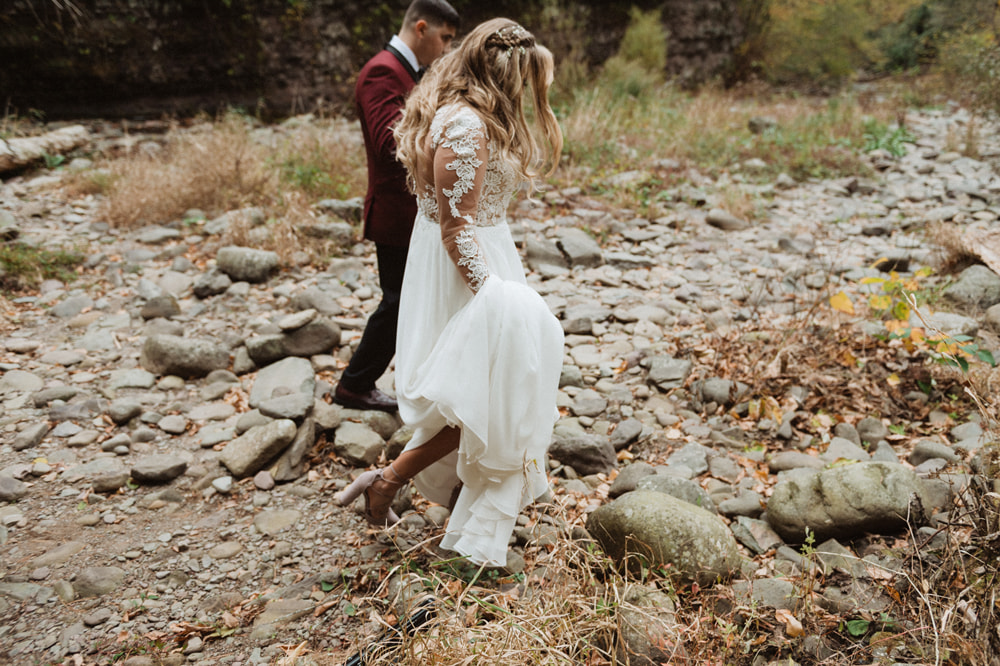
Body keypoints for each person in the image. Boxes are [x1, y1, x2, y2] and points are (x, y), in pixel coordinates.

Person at [337, 18, 564, 567]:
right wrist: (495, 296)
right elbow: (455, 226)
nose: (529, 94)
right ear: (502, 73)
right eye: (526, 80)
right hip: (466, 267)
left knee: (483, 390)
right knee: (483, 392)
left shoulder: (470, 115)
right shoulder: (464, 126)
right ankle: (390, 481)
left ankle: (434, 490)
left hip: (483, 256)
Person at [333, 0, 459, 413]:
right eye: (444, 38)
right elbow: (391, 142)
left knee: (412, 299)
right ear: (421, 28)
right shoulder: (382, 71)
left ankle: (417, 378)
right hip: (396, 211)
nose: (444, 50)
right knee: (399, 302)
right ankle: (355, 384)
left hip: (413, 209)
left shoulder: (409, 72)